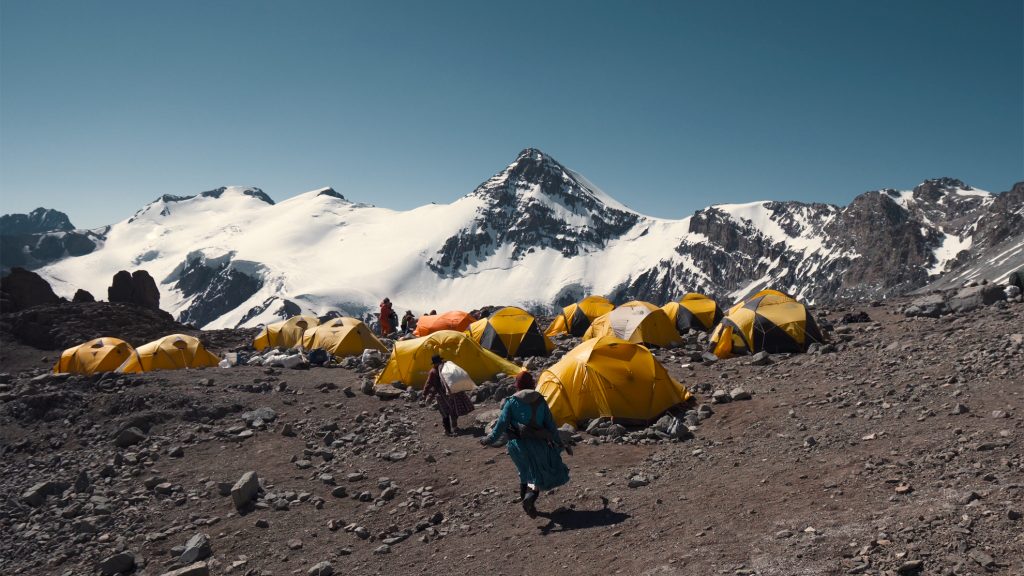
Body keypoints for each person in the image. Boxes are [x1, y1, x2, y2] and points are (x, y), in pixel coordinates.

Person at [480, 369, 569, 518]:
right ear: (532, 384)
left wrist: (487, 440)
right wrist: (558, 442)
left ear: (518, 385)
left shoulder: (511, 402)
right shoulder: (540, 400)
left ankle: (527, 502)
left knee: (525, 474)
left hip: (517, 446)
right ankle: (529, 498)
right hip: (539, 445)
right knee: (535, 477)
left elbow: (500, 425)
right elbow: (551, 425)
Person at [422, 354, 475, 436]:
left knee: (445, 413)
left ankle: (449, 430)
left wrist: (424, 394)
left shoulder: (433, 371)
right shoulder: (445, 368)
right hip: (451, 393)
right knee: (453, 410)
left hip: (442, 395)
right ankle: (453, 428)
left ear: (434, 363)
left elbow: (428, 383)